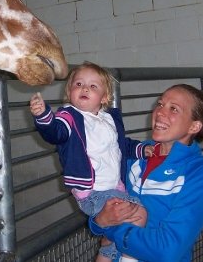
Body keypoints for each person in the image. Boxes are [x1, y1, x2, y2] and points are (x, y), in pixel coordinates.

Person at [30, 61, 152, 262]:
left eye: (93, 86)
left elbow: (121, 145)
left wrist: (140, 149)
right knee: (138, 214)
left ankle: (107, 250)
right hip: (92, 192)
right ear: (69, 92)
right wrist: (44, 116)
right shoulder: (69, 116)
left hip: (115, 187)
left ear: (104, 97)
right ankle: (129, 258)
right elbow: (56, 133)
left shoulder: (109, 119)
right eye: (78, 84)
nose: (84, 88)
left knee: (115, 235)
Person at [89, 83, 203, 262]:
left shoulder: (201, 173)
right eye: (160, 104)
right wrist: (99, 222)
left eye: (173, 109)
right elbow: (100, 208)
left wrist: (110, 230)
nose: (160, 112)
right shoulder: (133, 156)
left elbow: (166, 250)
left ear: (194, 127)